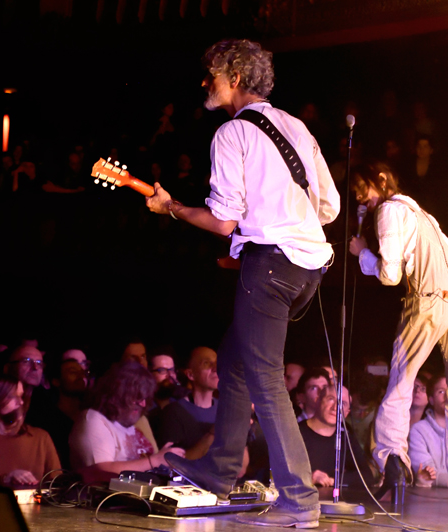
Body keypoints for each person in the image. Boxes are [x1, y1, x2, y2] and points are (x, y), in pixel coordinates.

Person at [145, 38, 340, 528]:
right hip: (307, 269)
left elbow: (223, 222)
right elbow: (330, 207)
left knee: (265, 376)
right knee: (234, 360)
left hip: (270, 267)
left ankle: (300, 497)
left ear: (233, 75)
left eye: (211, 73)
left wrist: (170, 208)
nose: (205, 82)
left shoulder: (232, 133)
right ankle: (220, 468)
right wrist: (284, 216)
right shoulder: (297, 127)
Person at [349, 161, 448, 507]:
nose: (360, 198)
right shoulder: (423, 214)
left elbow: (390, 275)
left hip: (428, 302)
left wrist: (363, 254)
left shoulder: (390, 212)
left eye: (361, 190)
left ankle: (393, 462)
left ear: (380, 181)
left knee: (400, 383)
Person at [68, 361, 184, 483]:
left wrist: (164, 459)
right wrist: (154, 461)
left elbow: (153, 463)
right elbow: (102, 471)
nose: (143, 404)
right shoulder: (93, 419)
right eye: (137, 397)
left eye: (145, 398)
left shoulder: (140, 420)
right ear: (118, 393)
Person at [0, 376, 60, 487]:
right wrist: (6, 479)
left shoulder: (41, 437)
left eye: (21, 396)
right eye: (13, 397)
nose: (20, 402)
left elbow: (57, 482)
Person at [299, 386, 374, 489]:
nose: (335, 407)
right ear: (318, 400)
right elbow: (277, 472)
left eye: (342, 403)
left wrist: (333, 480)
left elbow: (366, 476)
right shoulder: (295, 434)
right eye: (331, 399)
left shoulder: (345, 437)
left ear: (347, 412)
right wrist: (308, 478)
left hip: (331, 502)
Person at [156, 347, 219, 459]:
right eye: (207, 363)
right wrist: (212, 435)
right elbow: (173, 465)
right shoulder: (173, 413)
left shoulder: (225, 410)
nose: (215, 368)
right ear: (190, 374)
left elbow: (239, 469)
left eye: (217, 363)